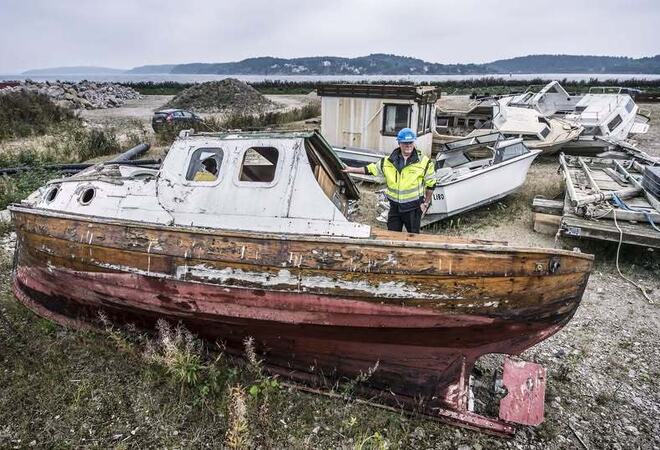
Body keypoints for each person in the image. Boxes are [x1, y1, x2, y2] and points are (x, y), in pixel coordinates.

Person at [343, 128, 436, 233]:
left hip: (413, 208)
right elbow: (370, 169)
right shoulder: (388, 161)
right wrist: (351, 169)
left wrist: (426, 203)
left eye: (410, 142)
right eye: (405, 143)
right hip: (394, 208)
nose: (408, 145)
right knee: (392, 234)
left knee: (413, 236)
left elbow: (431, 184)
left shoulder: (424, 162)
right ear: (399, 143)